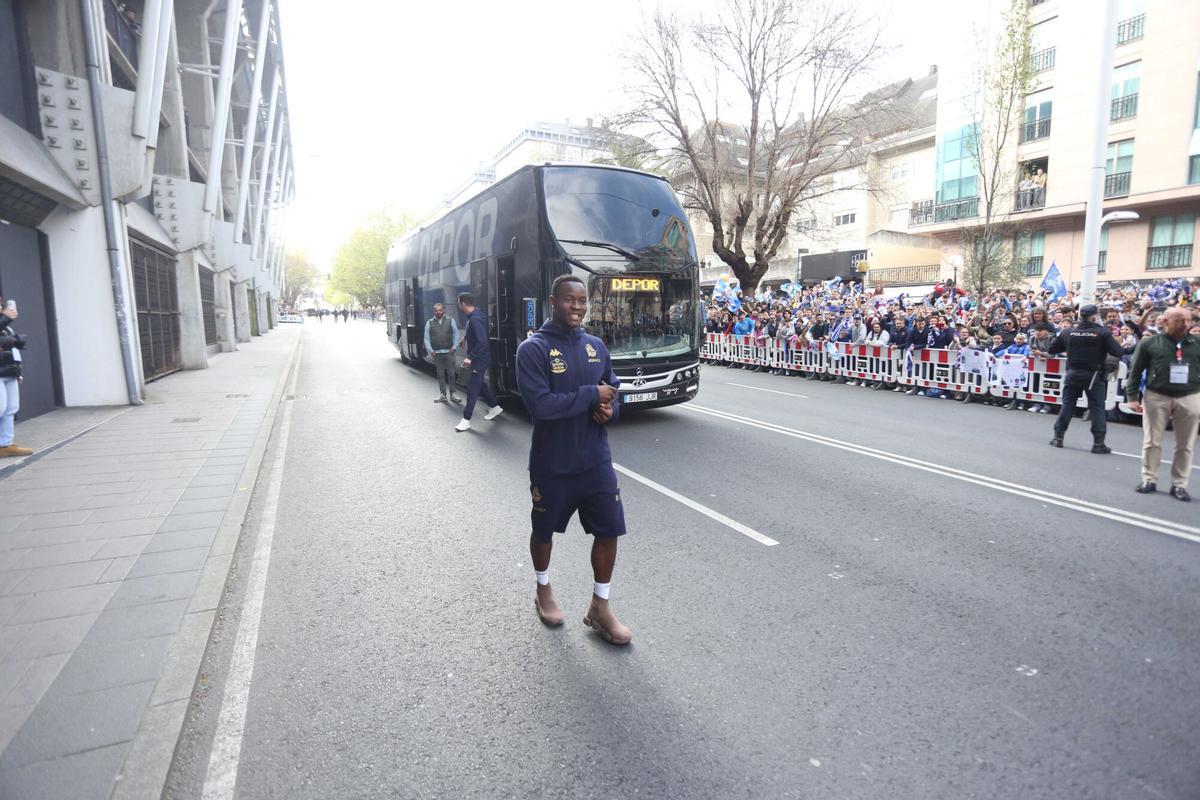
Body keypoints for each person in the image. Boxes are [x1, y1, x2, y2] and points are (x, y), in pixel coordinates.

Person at [515, 274, 630, 645]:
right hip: (553, 464)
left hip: (596, 460)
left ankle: (600, 606)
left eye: (582, 300)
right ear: (553, 301)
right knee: (544, 531)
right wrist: (590, 397)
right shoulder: (532, 350)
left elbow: (614, 394)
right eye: (570, 299)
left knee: (609, 529)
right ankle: (543, 588)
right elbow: (541, 406)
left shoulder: (596, 345)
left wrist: (608, 412)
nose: (577, 306)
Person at [1125, 307, 1200, 502]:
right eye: (1179, 320)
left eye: (1187, 320)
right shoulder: (1149, 343)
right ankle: (1149, 479)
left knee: (1186, 444)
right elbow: (1135, 371)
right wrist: (1132, 397)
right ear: (1164, 322)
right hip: (1157, 396)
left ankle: (1179, 484)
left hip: (1189, 396)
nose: (1185, 324)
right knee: (1152, 441)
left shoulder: (1197, 343)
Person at [1048, 304, 1124, 453]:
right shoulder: (1102, 332)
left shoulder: (1068, 331)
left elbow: (1052, 349)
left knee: (1068, 405)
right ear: (1094, 317)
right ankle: (1098, 443)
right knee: (1097, 408)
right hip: (1094, 376)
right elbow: (1118, 351)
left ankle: (1058, 438)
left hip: (1073, 373)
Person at [454, 292, 502, 432]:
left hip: (479, 359)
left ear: (462, 303)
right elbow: (478, 332)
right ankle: (495, 407)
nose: (458, 305)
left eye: (458, 303)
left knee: (472, 389)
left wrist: (471, 357)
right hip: (481, 358)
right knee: (479, 384)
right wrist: (466, 337)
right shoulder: (476, 314)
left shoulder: (475, 319)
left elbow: (482, 342)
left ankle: (466, 420)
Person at [0, 297, 32, 458]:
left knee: (11, 408)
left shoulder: (6, 328)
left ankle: (5, 444)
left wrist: (18, 372)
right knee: (0, 407)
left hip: (9, 372)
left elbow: (14, 352)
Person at [423, 302, 461, 404]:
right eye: (436, 310)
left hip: (449, 352)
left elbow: (456, 335)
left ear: (443, 310)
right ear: (434, 311)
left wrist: (454, 347)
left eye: (440, 310)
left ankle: (453, 394)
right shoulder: (429, 323)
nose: (438, 312)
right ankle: (443, 395)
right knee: (440, 375)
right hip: (437, 354)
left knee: (452, 374)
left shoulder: (450, 320)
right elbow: (426, 339)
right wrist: (431, 351)